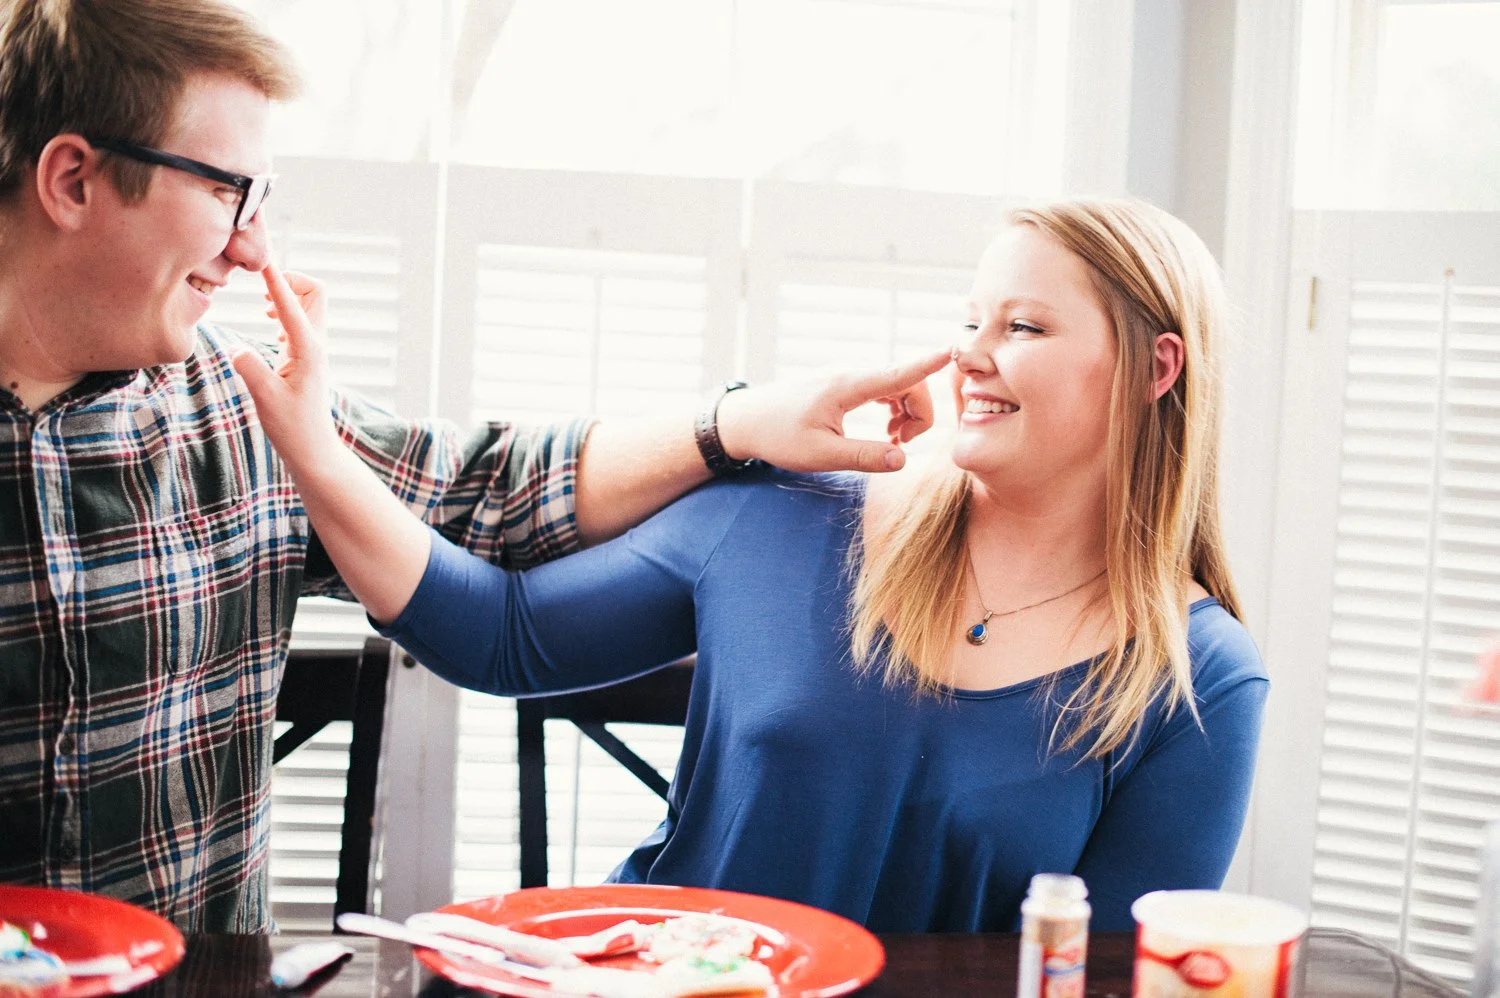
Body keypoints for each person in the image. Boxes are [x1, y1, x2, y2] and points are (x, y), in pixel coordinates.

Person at [0, 0, 944, 933]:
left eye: (261, 201)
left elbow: (488, 491)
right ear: (73, 181)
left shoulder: (248, 411)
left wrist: (734, 422)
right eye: (223, 191)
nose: (251, 248)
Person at [244, 194, 1269, 932]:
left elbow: (1114, 975)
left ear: (1155, 369)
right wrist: (315, 452)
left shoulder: (1201, 677)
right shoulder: (790, 515)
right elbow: (497, 631)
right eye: (970, 320)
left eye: (1024, 325)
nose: (971, 353)